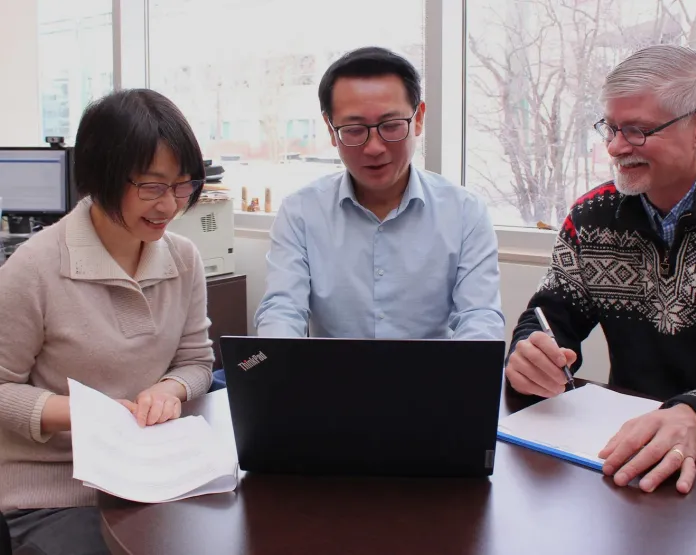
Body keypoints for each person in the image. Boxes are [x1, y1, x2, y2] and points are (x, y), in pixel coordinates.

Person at [506, 45, 696, 494]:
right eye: (611, 128)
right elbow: (550, 315)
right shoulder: (591, 217)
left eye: (638, 131)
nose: (616, 148)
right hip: (624, 452)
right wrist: (531, 351)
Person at [0, 89, 214, 554]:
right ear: (101, 177)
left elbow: (197, 362)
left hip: (153, 472)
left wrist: (169, 389)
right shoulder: (33, 268)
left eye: (182, 185)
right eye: (152, 187)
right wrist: (92, 415)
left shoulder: (184, 259)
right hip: (58, 489)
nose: (170, 206)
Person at [254, 46, 504, 341]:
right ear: (331, 130)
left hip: (434, 381)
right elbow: (282, 308)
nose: (374, 147)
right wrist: (277, 370)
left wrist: (466, 376)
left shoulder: (465, 212)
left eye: (391, 125)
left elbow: (480, 317)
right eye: (354, 129)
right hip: (333, 381)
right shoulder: (301, 212)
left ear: (419, 118)